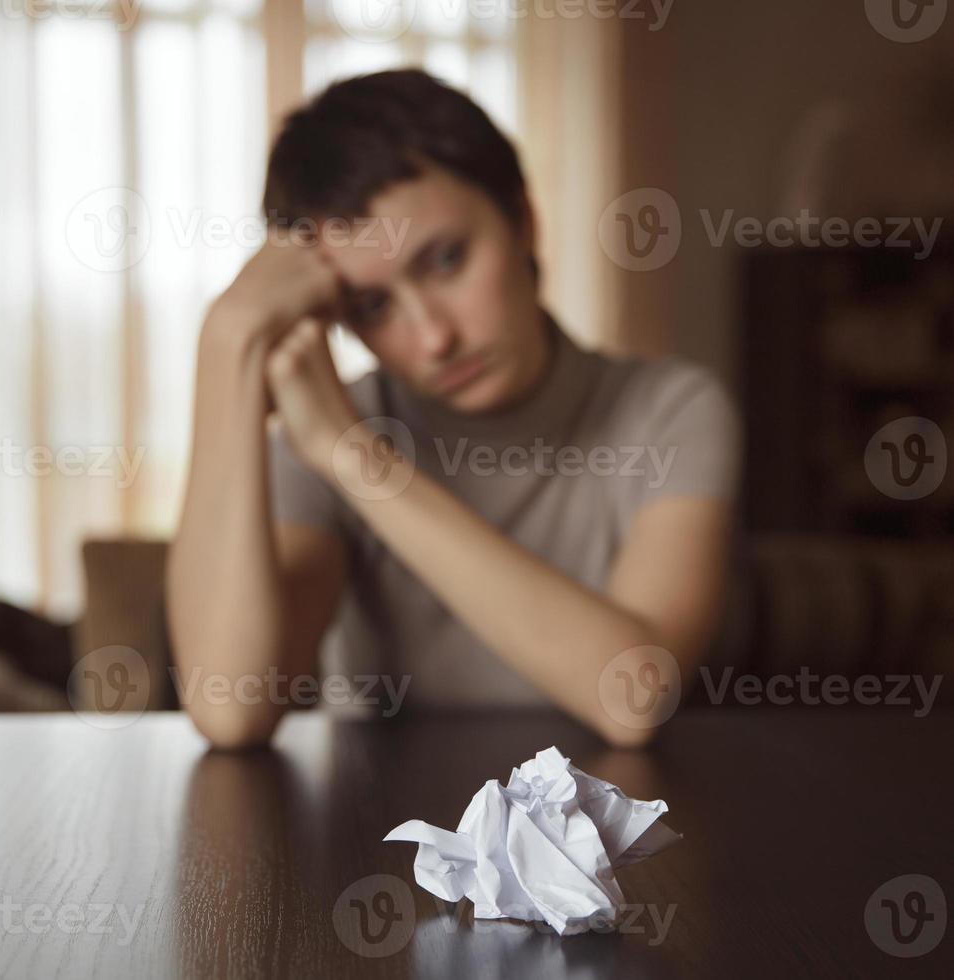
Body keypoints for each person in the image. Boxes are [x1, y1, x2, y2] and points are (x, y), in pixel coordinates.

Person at [165, 68, 743, 750]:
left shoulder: (672, 411)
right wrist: (227, 341)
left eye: (445, 261)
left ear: (524, 222)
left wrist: (358, 461)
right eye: (372, 307)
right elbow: (232, 711)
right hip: (381, 842)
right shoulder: (327, 430)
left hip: (599, 834)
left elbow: (634, 697)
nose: (434, 337)